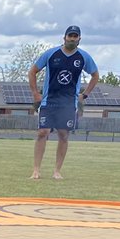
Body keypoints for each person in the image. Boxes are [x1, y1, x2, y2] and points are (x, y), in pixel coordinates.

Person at [28, 25, 99, 180]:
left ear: (79, 39)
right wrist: (35, 94)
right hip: (49, 100)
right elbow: (32, 71)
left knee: (63, 135)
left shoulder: (83, 57)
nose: (72, 39)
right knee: (42, 132)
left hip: (68, 103)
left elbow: (95, 75)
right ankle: (36, 170)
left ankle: (57, 171)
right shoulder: (51, 54)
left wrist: (84, 95)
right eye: (70, 36)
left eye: (75, 36)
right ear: (64, 37)